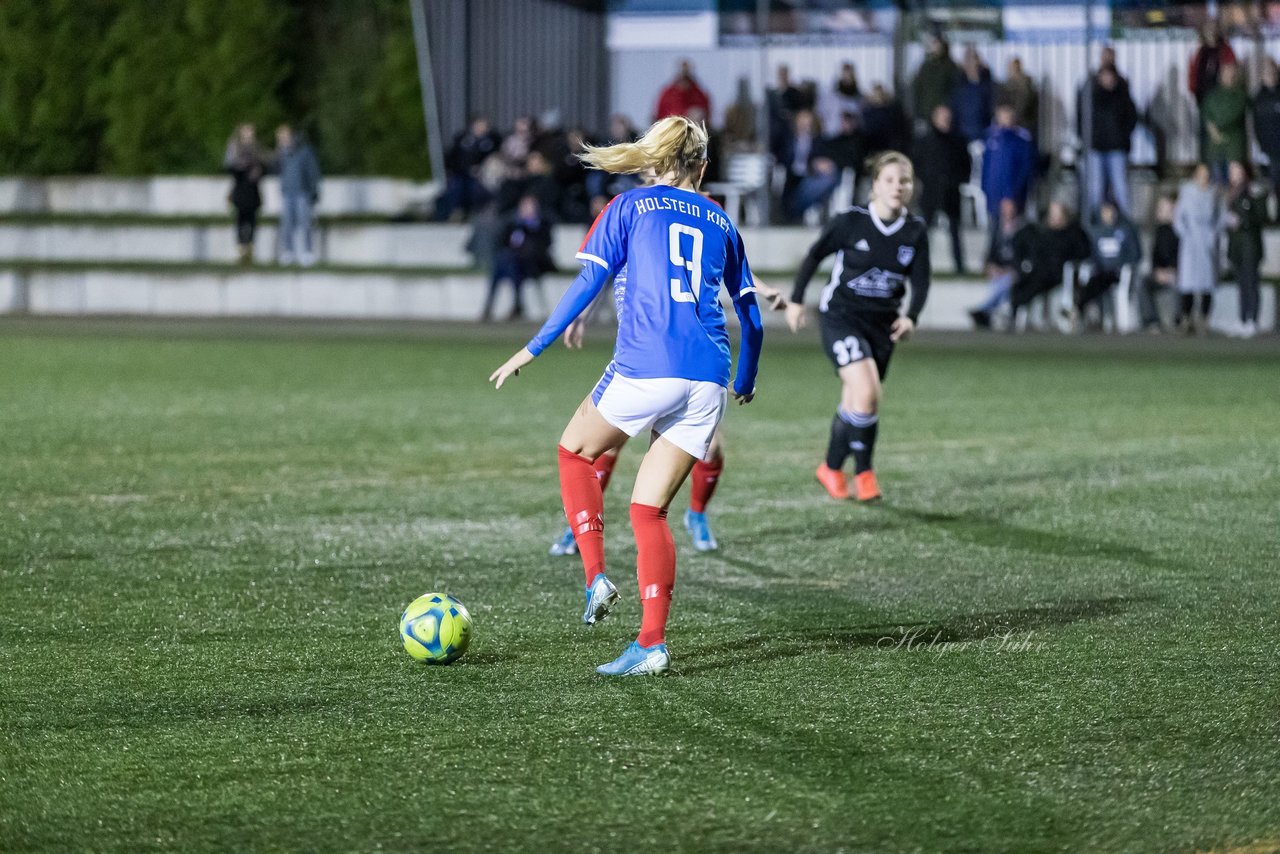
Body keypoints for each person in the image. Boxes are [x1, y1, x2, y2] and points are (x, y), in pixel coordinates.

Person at [489, 116, 764, 677]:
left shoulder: (626, 208)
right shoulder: (722, 220)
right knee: (649, 510)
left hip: (646, 367)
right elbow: (752, 319)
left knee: (574, 452)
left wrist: (532, 348)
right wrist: (746, 379)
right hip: (708, 375)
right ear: (703, 168)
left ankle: (594, 577)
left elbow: (587, 283)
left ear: (650, 160)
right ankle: (652, 643)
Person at [785, 152, 930, 503]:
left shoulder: (914, 230)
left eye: (905, 181)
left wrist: (911, 316)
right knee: (867, 393)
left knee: (856, 401)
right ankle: (864, 473)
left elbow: (921, 280)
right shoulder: (850, 222)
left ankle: (832, 468)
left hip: (882, 326)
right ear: (875, 185)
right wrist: (796, 300)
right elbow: (814, 255)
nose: (898, 187)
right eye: (891, 180)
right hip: (841, 317)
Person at [1007, 201, 1090, 330]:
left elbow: (1082, 253)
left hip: (1059, 274)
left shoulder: (1074, 233)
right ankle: (1015, 317)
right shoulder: (1043, 233)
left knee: (1034, 284)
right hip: (1041, 271)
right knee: (1021, 285)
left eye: (1057, 214)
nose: (1053, 218)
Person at [1066, 200, 1142, 329]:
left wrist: (1123, 265)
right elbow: (1091, 255)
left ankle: (1077, 308)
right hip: (1101, 271)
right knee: (1091, 283)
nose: (1108, 214)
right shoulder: (1096, 232)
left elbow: (1134, 254)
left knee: (1102, 282)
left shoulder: (1125, 230)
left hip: (1119, 272)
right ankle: (1078, 311)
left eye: (1110, 211)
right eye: (1105, 211)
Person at [915, 104, 972, 274]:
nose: (946, 122)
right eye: (942, 118)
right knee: (925, 229)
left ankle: (959, 265)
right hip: (931, 190)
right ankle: (919, 265)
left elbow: (965, 164)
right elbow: (917, 162)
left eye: (948, 118)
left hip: (951, 190)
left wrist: (958, 180)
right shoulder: (925, 140)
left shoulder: (958, 140)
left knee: (955, 229)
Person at [481, 195, 555, 322]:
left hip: (533, 263)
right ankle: (492, 308)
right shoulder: (513, 224)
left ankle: (516, 307)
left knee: (514, 267)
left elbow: (544, 245)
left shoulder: (541, 225)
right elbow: (502, 242)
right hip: (513, 262)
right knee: (503, 266)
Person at [1081, 64, 1138, 217]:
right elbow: (1082, 121)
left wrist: (1122, 137)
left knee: (1120, 187)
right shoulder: (1091, 96)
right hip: (1096, 148)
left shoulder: (1122, 95)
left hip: (1116, 148)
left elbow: (1132, 118)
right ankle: (1095, 219)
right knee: (1095, 188)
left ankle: (1126, 220)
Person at [1173, 164, 1221, 334]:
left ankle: (1204, 319)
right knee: (1188, 282)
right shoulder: (1186, 193)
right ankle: (1187, 319)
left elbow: (1219, 217)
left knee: (1207, 283)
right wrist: (1185, 234)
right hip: (1190, 241)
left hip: (1206, 241)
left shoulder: (1213, 193)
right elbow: (1178, 218)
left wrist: (1213, 235)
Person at [969, 198, 1025, 328]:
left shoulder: (1022, 230)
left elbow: (1021, 257)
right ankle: (986, 312)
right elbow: (990, 253)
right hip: (999, 270)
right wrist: (990, 266)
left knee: (1005, 282)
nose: (1006, 213)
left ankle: (984, 310)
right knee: (999, 281)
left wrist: (1008, 270)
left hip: (1013, 272)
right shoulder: (997, 229)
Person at [1224, 161, 1265, 337]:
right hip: (1236, 246)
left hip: (1250, 244)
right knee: (1241, 283)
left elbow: (1262, 216)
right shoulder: (1230, 193)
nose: (1233, 174)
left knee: (1251, 282)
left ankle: (1252, 320)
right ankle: (1242, 319)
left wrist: (1243, 220)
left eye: (1236, 170)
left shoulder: (1253, 191)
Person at [272, 125, 322, 267]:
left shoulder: (304, 151)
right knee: (287, 223)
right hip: (287, 192)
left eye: (283, 137)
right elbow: (275, 169)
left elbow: (312, 171)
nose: (281, 140)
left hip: (302, 192)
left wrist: (314, 191)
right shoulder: (281, 153)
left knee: (305, 222)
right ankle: (288, 251)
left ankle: (307, 251)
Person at [981, 105, 1036, 227]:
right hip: (993, 193)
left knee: (1010, 231)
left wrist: (1011, 195)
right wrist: (985, 188)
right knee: (994, 230)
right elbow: (987, 167)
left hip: (1011, 196)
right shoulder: (991, 139)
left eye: (1008, 117)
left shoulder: (1020, 142)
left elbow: (1023, 171)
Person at [223, 123, 265, 265]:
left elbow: (265, 165)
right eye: (246, 134)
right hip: (241, 190)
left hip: (252, 190)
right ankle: (242, 248)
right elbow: (230, 168)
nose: (249, 137)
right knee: (240, 220)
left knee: (252, 220)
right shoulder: (235, 150)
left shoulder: (257, 149)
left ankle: (250, 248)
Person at [1201, 62, 1248, 185]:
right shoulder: (1212, 95)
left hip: (1234, 149)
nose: (1230, 77)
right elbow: (1206, 113)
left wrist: (1216, 127)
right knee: (1217, 185)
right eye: (1227, 74)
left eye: (1232, 74)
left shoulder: (1240, 95)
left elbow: (1232, 114)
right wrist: (1211, 128)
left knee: (1235, 184)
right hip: (1215, 150)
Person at [1138, 195, 1180, 333]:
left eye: (1164, 208)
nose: (1160, 211)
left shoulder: (1180, 230)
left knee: (1178, 284)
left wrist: (1172, 270)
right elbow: (1155, 255)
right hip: (1162, 272)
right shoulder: (1160, 230)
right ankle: (1152, 321)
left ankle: (1178, 321)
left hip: (1178, 273)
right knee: (1143, 283)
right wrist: (1157, 270)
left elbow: (1182, 255)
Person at [912, 33, 960, 130]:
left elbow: (954, 90)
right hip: (926, 113)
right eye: (934, 44)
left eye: (937, 43)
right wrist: (918, 113)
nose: (935, 47)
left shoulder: (950, 67)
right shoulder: (925, 66)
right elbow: (918, 89)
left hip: (943, 115)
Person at [1251, 58, 1280, 214]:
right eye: (1267, 72)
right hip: (1266, 147)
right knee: (1270, 183)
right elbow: (1256, 124)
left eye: (1273, 71)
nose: (1271, 75)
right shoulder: (1259, 97)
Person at [950, 46, 993, 144]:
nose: (973, 65)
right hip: (962, 138)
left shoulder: (988, 86)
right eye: (969, 61)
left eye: (975, 60)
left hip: (983, 137)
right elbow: (954, 112)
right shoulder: (958, 87)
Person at [996, 57, 1039, 141]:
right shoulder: (1004, 88)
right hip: (1007, 129)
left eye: (1015, 69)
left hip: (1023, 128)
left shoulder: (1027, 89)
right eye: (1010, 69)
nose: (1012, 72)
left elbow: (1025, 109)